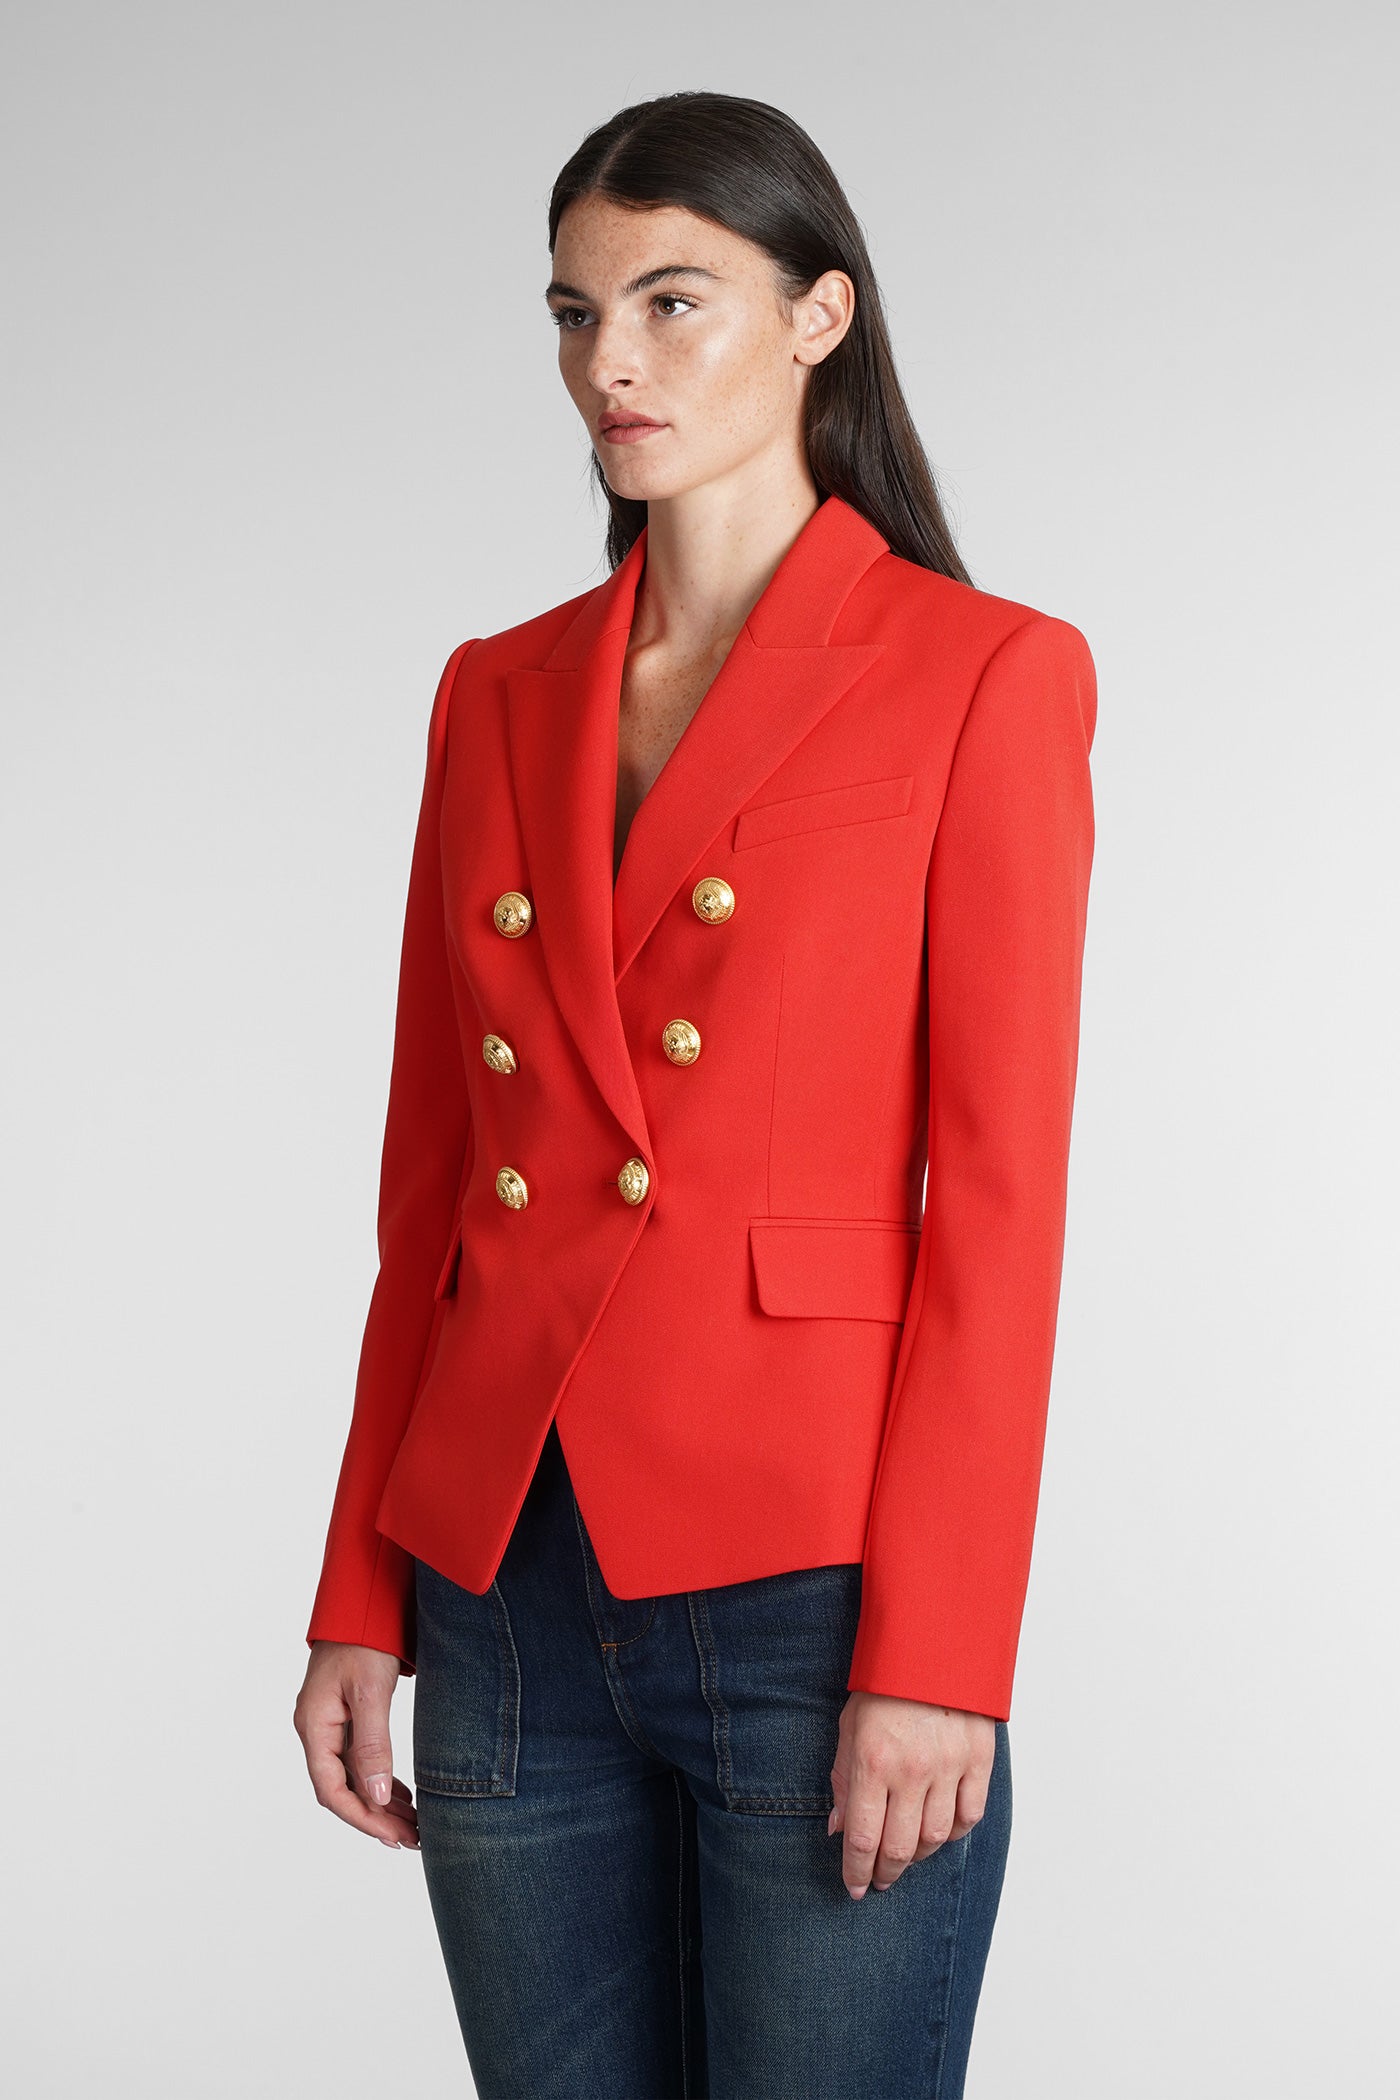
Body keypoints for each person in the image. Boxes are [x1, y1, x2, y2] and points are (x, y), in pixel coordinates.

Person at [293, 89, 1098, 2100]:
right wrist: (358, 1590)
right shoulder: (496, 688)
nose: (611, 364)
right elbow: (433, 1189)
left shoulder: (979, 674)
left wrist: (941, 1653)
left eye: (673, 300)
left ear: (820, 316)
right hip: (499, 1579)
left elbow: (999, 1210)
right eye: (576, 313)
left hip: (810, 1588)